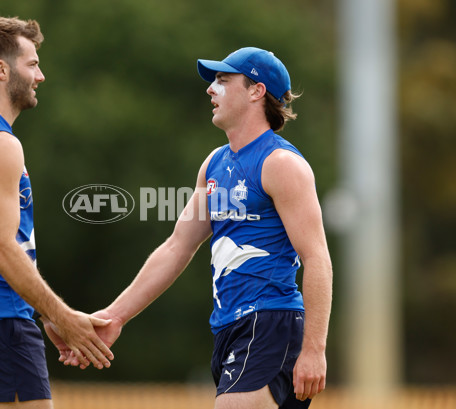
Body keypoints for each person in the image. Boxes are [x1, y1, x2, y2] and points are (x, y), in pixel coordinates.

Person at [60, 47, 333, 409]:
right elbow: (177, 247)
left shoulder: (280, 164)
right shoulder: (215, 164)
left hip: (268, 322)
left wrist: (314, 350)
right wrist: (114, 317)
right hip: (227, 329)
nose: (210, 89)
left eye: (223, 80)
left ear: (256, 91)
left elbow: (317, 258)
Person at [0, 14, 113, 408]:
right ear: (1, 69)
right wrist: (62, 316)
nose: (40, 75)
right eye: (32, 64)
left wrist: (41, 312)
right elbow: (2, 248)